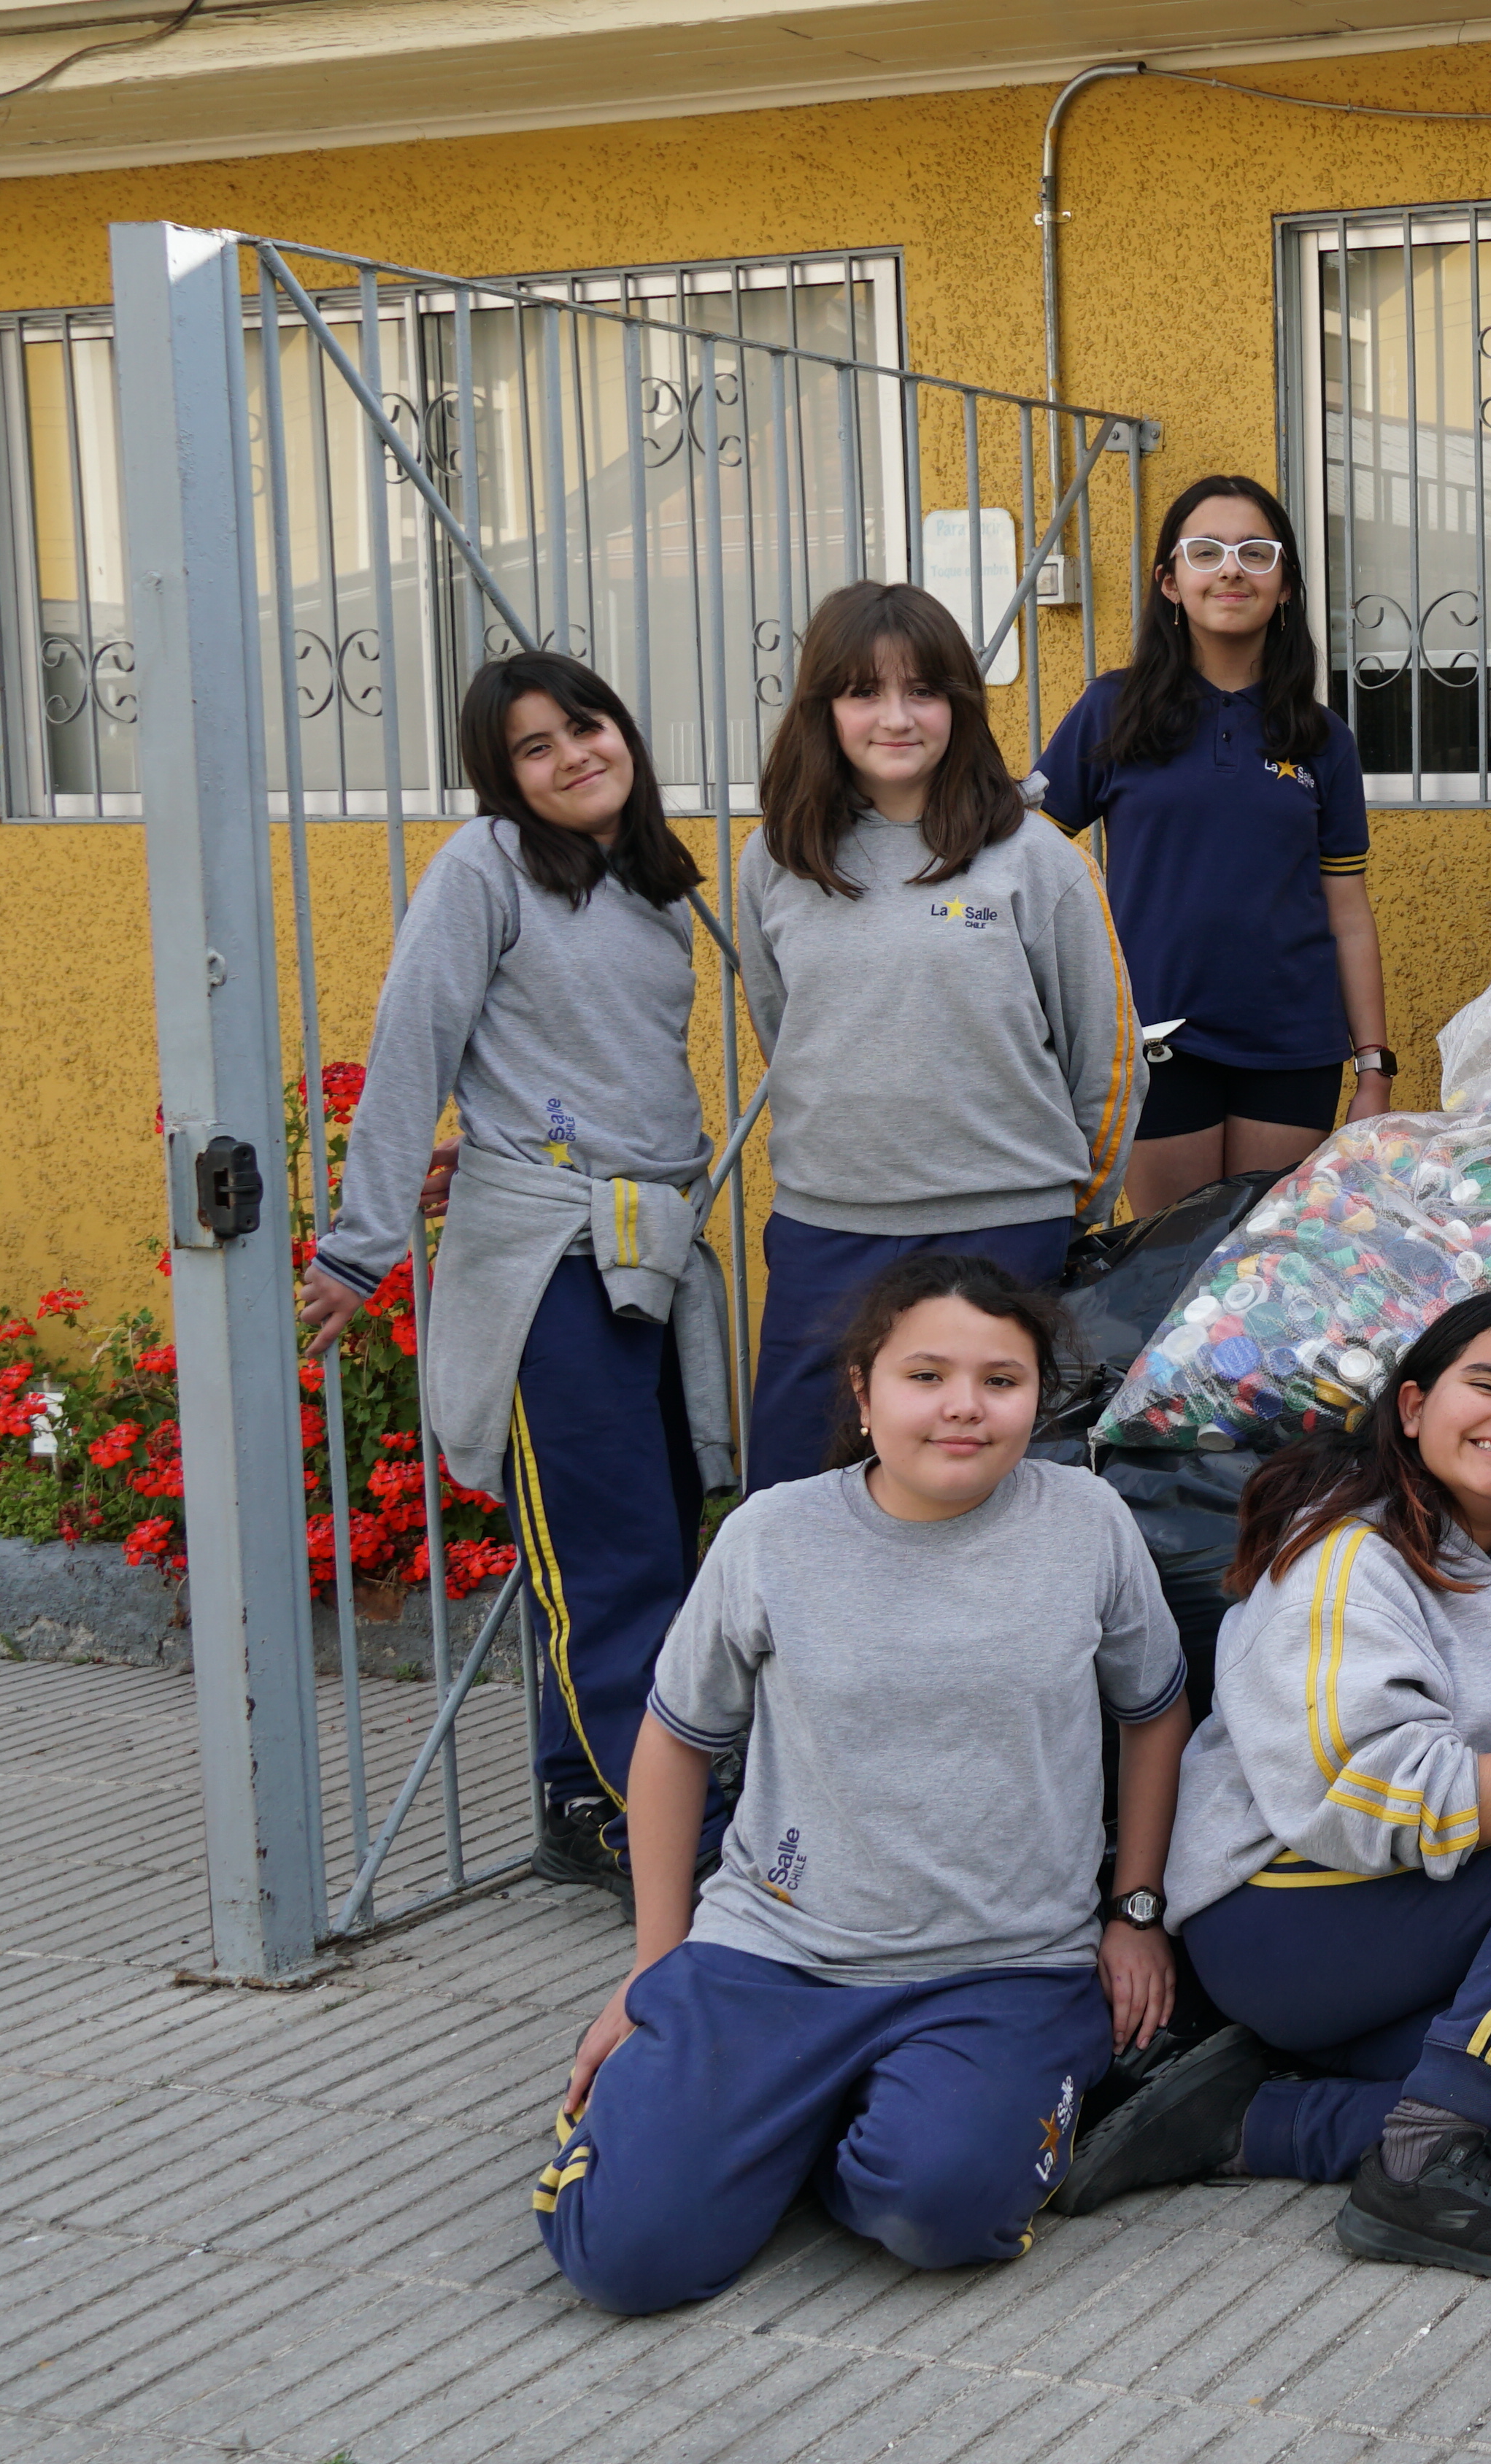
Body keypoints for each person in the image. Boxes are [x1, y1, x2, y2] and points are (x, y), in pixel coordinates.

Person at [532, 1255, 1193, 2311]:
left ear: (1039, 1397)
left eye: (1002, 1381)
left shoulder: (1086, 1524)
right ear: (863, 1389)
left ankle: (830, 2132)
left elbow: (1155, 1715)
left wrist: (1139, 1911)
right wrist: (655, 1969)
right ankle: (759, 2126)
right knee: (626, 2259)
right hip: (776, 1955)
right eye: (925, 1376)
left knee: (942, 2207)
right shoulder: (773, 1537)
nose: (963, 1409)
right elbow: (673, 1740)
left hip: (1006, 1971)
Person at [1076, 1290, 1491, 2276]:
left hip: (1423, 1917)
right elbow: (1374, 1800)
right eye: (1486, 1386)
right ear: (1412, 1407)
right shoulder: (1346, 1558)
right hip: (1288, 1912)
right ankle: (1423, 2155)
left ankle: (1249, 2119)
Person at [303, 652, 736, 1892]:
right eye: (532, 748)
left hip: (650, 1253)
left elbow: (571, 1064)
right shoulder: (483, 867)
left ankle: (581, 1803)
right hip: (549, 1258)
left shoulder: (653, 885)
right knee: (616, 1563)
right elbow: (415, 1042)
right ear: (503, 779)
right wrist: (362, 1243)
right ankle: (677, 1843)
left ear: (624, 729)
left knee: (651, 1533)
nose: (570, 758)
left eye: (584, 727)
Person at [737, 580, 1139, 1489]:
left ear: (959, 702)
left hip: (1002, 1227)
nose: (896, 717)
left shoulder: (1038, 859)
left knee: (983, 1483)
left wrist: (1068, 1206)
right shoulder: (775, 859)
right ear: (821, 708)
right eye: (863, 692)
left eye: (922, 691)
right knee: (802, 1489)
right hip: (828, 1226)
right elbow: (787, 1029)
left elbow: (1107, 1061)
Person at [1034, 474, 1394, 1216]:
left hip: (1293, 1044)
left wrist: (1374, 1069)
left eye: (1256, 553)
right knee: (1168, 1273)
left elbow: (1348, 912)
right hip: (1156, 1041)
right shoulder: (1113, 709)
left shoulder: (1323, 738)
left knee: (1266, 1271)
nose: (1231, 569)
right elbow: (1030, 864)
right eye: (1206, 551)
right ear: (1170, 581)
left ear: (1287, 584)